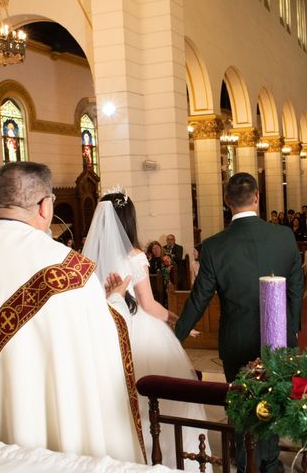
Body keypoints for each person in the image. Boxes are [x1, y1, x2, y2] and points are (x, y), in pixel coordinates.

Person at [0, 162, 144, 462]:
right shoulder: (66, 270)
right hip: (45, 451)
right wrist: (117, 301)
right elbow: (103, 338)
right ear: (45, 206)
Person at [174, 172, 303, 473]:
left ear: (226, 201)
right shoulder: (283, 236)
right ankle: (269, 463)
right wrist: (292, 328)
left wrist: (177, 333)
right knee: (271, 403)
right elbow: (297, 287)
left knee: (243, 408)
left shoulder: (214, 246)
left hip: (236, 341)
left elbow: (199, 297)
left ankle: (245, 465)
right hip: (279, 339)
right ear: (257, 197)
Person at [82, 191, 208, 471]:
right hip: (138, 330)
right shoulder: (134, 256)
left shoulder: (87, 258)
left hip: (106, 330)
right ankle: (168, 458)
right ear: (129, 220)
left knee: (116, 398)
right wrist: (178, 319)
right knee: (160, 399)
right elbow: (149, 305)